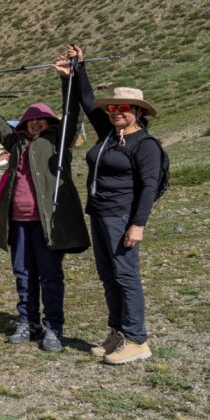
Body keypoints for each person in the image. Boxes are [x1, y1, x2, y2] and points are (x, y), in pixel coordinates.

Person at [0, 61, 90, 351]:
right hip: (18, 222)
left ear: (50, 123)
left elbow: (72, 112)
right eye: (30, 120)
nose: (35, 123)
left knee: (50, 276)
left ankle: (53, 327)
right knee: (23, 274)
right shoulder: (16, 142)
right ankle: (28, 321)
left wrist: (68, 80)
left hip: (49, 223)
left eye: (41, 119)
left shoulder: (59, 141)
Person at [68, 45, 163, 365]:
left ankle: (137, 340)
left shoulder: (145, 144)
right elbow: (87, 101)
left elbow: (148, 187)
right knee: (108, 276)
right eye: (113, 107)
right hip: (100, 214)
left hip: (122, 217)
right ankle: (118, 333)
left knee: (125, 276)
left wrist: (138, 224)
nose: (116, 112)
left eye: (124, 108)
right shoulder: (109, 133)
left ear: (138, 112)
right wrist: (79, 69)